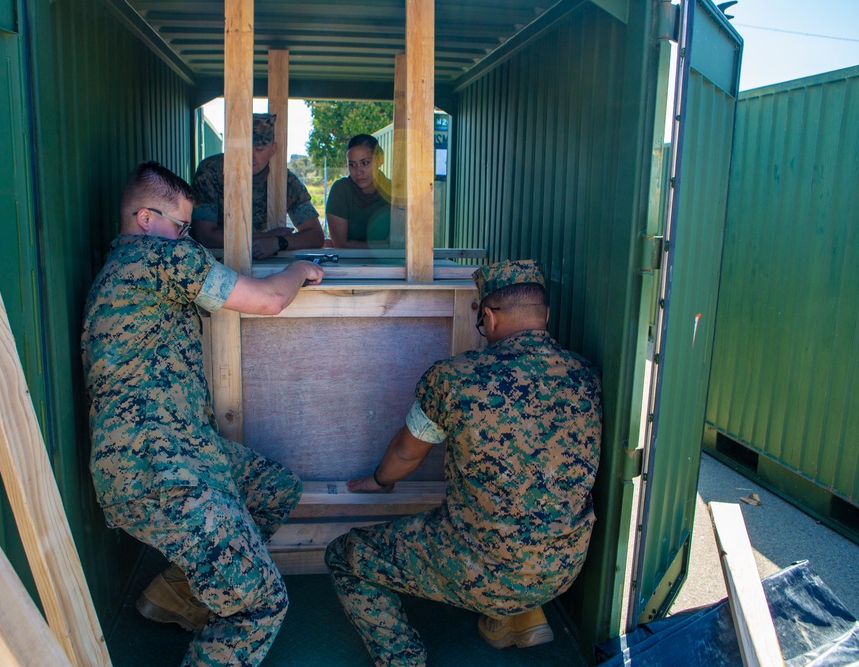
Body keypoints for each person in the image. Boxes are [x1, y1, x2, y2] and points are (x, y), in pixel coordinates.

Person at [81, 161, 324, 666]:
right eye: (181, 226)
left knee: (274, 488)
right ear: (147, 219)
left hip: (180, 452)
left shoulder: (130, 266)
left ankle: (178, 596)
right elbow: (269, 300)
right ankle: (219, 611)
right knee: (261, 604)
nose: (189, 239)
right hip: (156, 468)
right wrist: (301, 267)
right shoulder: (157, 259)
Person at [324, 259, 602, 666]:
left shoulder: (455, 378)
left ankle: (403, 659)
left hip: (483, 567)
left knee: (346, 555)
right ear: (543, 316)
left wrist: (380, 481)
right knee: (500, 520)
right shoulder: (585, 375)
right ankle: (520, 617)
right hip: (563, 568)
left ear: (487, 316)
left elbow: (405, 454)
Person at [189, 113, 325, 259]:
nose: (251, 156)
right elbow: (204, 235)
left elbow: (315, 235)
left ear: (272, 149)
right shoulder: (211, 171)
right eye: (244, 148)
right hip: (214, 262)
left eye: (259, 149)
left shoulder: (283, 179)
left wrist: (278, 242)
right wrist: (263, 238)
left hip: (262, 263)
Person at [325, 134, 393, 248]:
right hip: (348, 264)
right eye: (352, 165)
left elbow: (401, 244)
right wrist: (383, 247)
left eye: (365, 163)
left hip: (391, 265)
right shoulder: (341, 191)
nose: (358, 171)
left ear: (380, 160)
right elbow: (340, 244)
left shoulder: (394, 191)